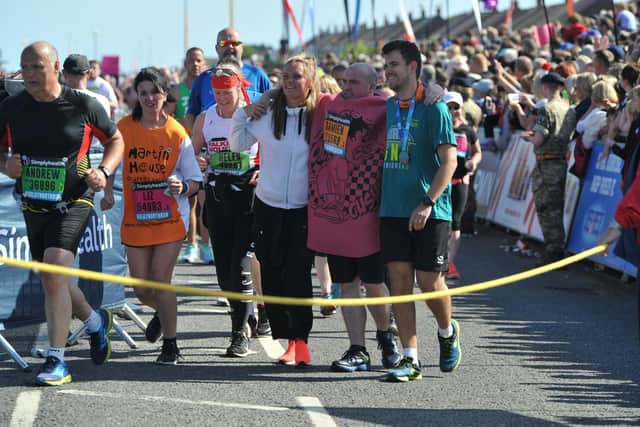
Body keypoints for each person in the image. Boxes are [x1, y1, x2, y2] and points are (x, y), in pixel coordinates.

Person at [0, 41, 124, 385]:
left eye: (37, 67)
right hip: (33, 204)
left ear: (56, 69)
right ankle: (96, 322)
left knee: (55, 264)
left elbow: (116, 141)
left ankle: (57, 360)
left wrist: (105, 171)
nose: (29, 74)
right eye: (25, 67)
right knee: (53, 276)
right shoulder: (11, 107)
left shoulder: (83, 104)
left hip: (75, 199)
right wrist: (6, 164)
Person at [230, 54, 323, 367]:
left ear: (310, 81)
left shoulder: (320, 115)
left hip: (302, 209)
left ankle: (301, 342)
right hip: (268, 207)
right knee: (270, 277)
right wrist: (247, 109)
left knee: (298, 277)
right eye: (286, 77)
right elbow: (237, 143)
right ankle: (287, 338)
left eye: (297, 77)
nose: (291, 83)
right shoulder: (268, 113)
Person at [307, 62, 401, 372]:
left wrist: (436, 91)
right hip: (334, 214)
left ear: (373, 85)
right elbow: (288, 91)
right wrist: (266, 100)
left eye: (354, 82)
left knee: (374, 283)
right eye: (344, 80)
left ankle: (387, 336)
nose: (345, 86)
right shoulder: (327, 104)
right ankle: (357, 349)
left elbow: (420, 100)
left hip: (368, 215)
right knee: (346, 285)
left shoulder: (385, 106)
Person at [378, 40, 460, 382]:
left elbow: (450, 162)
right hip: (392, 208)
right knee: (398, 281)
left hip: (431, 209)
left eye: (394, 64)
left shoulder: (435, 107)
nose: (388, 71)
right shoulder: (389, 106)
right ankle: (410, 357)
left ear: (413, 66)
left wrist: (427, 202)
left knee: (428, 281)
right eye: (386, 65)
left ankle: (447, 331)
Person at [114, 67, 201, 365]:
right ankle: (164, 313)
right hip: (136, 220)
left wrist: (183, 186)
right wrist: (106, 188)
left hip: (168, 219)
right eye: (144, 92)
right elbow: (110, 160)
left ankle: (171, 344)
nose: (150, 98)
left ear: (166, 94)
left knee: (161, 281)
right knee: (141, 288)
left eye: (155, 92)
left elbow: (195, 180)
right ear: (136, 96)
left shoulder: (177, 133)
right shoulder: (125, 128)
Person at [191, 59, 261, 357]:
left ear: (238, 89)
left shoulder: (254, 116)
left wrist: (264, 169)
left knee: (242, 266)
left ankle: (239, 333)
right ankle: (251, 314)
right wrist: (199, 161)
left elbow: (275, 148)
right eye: (217, 93)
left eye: (227, 93)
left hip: (248, 196)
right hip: (218, 198)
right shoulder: (205, 118)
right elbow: (192, 154)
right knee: (224, 273)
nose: (222, 99)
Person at [522, 72, 576, 265]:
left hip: (546, 163)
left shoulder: (547, 109)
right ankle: (555, 250)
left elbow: (539, 139)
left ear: (545, 87)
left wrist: (528, 137)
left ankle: (553, 252)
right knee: (556, 207)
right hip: (560, 161)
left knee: (546, 209)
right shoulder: (569, 109)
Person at [185, 27, 272, 130]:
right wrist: (199, 137)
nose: (230, 47)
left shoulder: (257, 75)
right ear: (216, 48)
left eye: (235, 43)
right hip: (213, 142)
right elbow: (191, 114)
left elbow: (271, 106)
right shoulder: (203, 79)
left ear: (242, 47)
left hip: (249, 140)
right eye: (223, 43)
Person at [174, 48, 213, 265]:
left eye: (198, 61)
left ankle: (206, 245)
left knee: (205, 202)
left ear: (204, 62)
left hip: (207, 149)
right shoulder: (178, 90)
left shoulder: (210, 85)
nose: (195, 65)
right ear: (185, 63)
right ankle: (191, 245)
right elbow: (170, 115)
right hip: (185, 149)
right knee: (189, 202)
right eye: (191, 61)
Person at [442, 92, 482, 281]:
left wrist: (474, 161)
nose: (452, 111)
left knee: (455, 222)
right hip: (440, 181)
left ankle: (449, 263)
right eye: (448, 107)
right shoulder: (438, 128)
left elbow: (477, 152)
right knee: (437, 221)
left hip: (459, 182)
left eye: (455, 107)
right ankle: (434, 261)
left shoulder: (468, 130)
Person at [61, 54, 111, 154]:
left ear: (64, 74)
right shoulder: (102, 100)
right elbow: (109, 136)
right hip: (96, 155)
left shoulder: (56, 100)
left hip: (67, 156)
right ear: (88, 74)